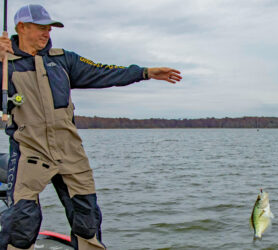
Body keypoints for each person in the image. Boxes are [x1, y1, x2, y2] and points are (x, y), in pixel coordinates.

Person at [0, 4, 182, 250]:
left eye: (50, 28)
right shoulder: (5, 62)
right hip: (29, 153)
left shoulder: (63, 59)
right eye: (41, 28)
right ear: (21, 27)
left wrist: (145, 73)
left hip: (70, 151)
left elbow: (103, 72)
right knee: (22, 223)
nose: (47, 33)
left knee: (87, 219)